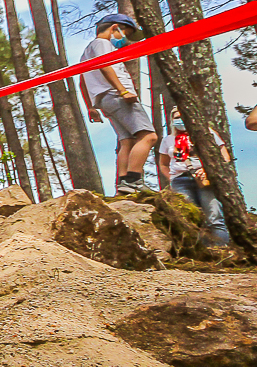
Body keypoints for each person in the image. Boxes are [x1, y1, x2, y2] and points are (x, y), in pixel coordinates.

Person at [79, 13, 157, 195]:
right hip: (117, 95)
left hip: (105, 100)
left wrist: (91, 106)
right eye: (125, 34)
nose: (124, 40)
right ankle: (133, 181)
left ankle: (123, 185)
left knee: (127, 140)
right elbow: (104, 65)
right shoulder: (102, 43)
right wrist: (122, 90)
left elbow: (82, 82)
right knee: (148, 136)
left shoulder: (86, 52)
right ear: (115, 28)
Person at [160, 106, 232, 245]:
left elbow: (225, 157)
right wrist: (172, 179)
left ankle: (221, 250)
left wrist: (209, 171)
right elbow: (163, 164)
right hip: (180, 181)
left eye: (182, 116)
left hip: (205, 178)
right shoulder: (168, 140)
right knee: (190, 220)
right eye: (176, 118)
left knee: (214, 217)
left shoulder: (207, 133)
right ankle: (201, 250)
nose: (180, 120)